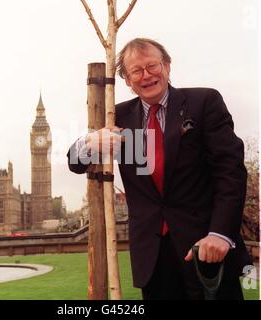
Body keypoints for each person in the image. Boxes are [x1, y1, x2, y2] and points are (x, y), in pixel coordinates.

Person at [67, 38, 252, 300]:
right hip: (153, 261)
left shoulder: (203, 102)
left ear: (166, 66)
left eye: (152, 65)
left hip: (206, 250)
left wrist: (220, 234)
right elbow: (74, 162)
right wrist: (89, 142)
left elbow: (230, 173)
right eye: (136, 71)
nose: (147, 75)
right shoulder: (116, 117)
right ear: (128, 81)